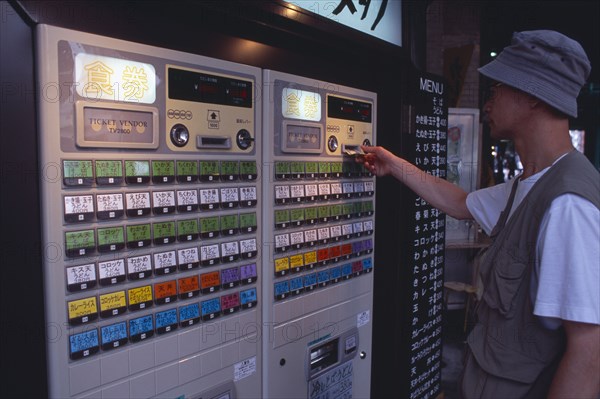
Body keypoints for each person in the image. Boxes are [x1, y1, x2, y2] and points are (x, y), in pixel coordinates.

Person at [358, 30, 599, 398]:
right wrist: (394, 164)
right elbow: (459, 202)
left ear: (531, 95)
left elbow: (588, 350)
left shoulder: (568, 203)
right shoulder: (530, 183)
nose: (490, 101)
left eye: (497, 88)